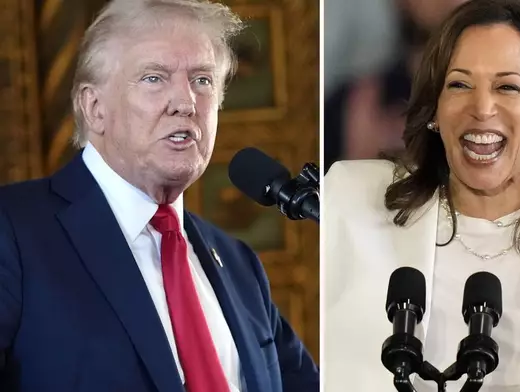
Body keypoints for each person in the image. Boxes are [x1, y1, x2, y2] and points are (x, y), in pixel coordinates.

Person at [323, 0, 520, 391]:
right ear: (435, 109)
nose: (482, 108)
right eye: (459, 84)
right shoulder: (350, 203)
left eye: (507, 87)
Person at [0, 1, 319, 391]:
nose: (185, 103)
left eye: (202, 80)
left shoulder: (239, 266)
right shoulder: (14, 233)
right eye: (154, 78)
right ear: (94, 106)